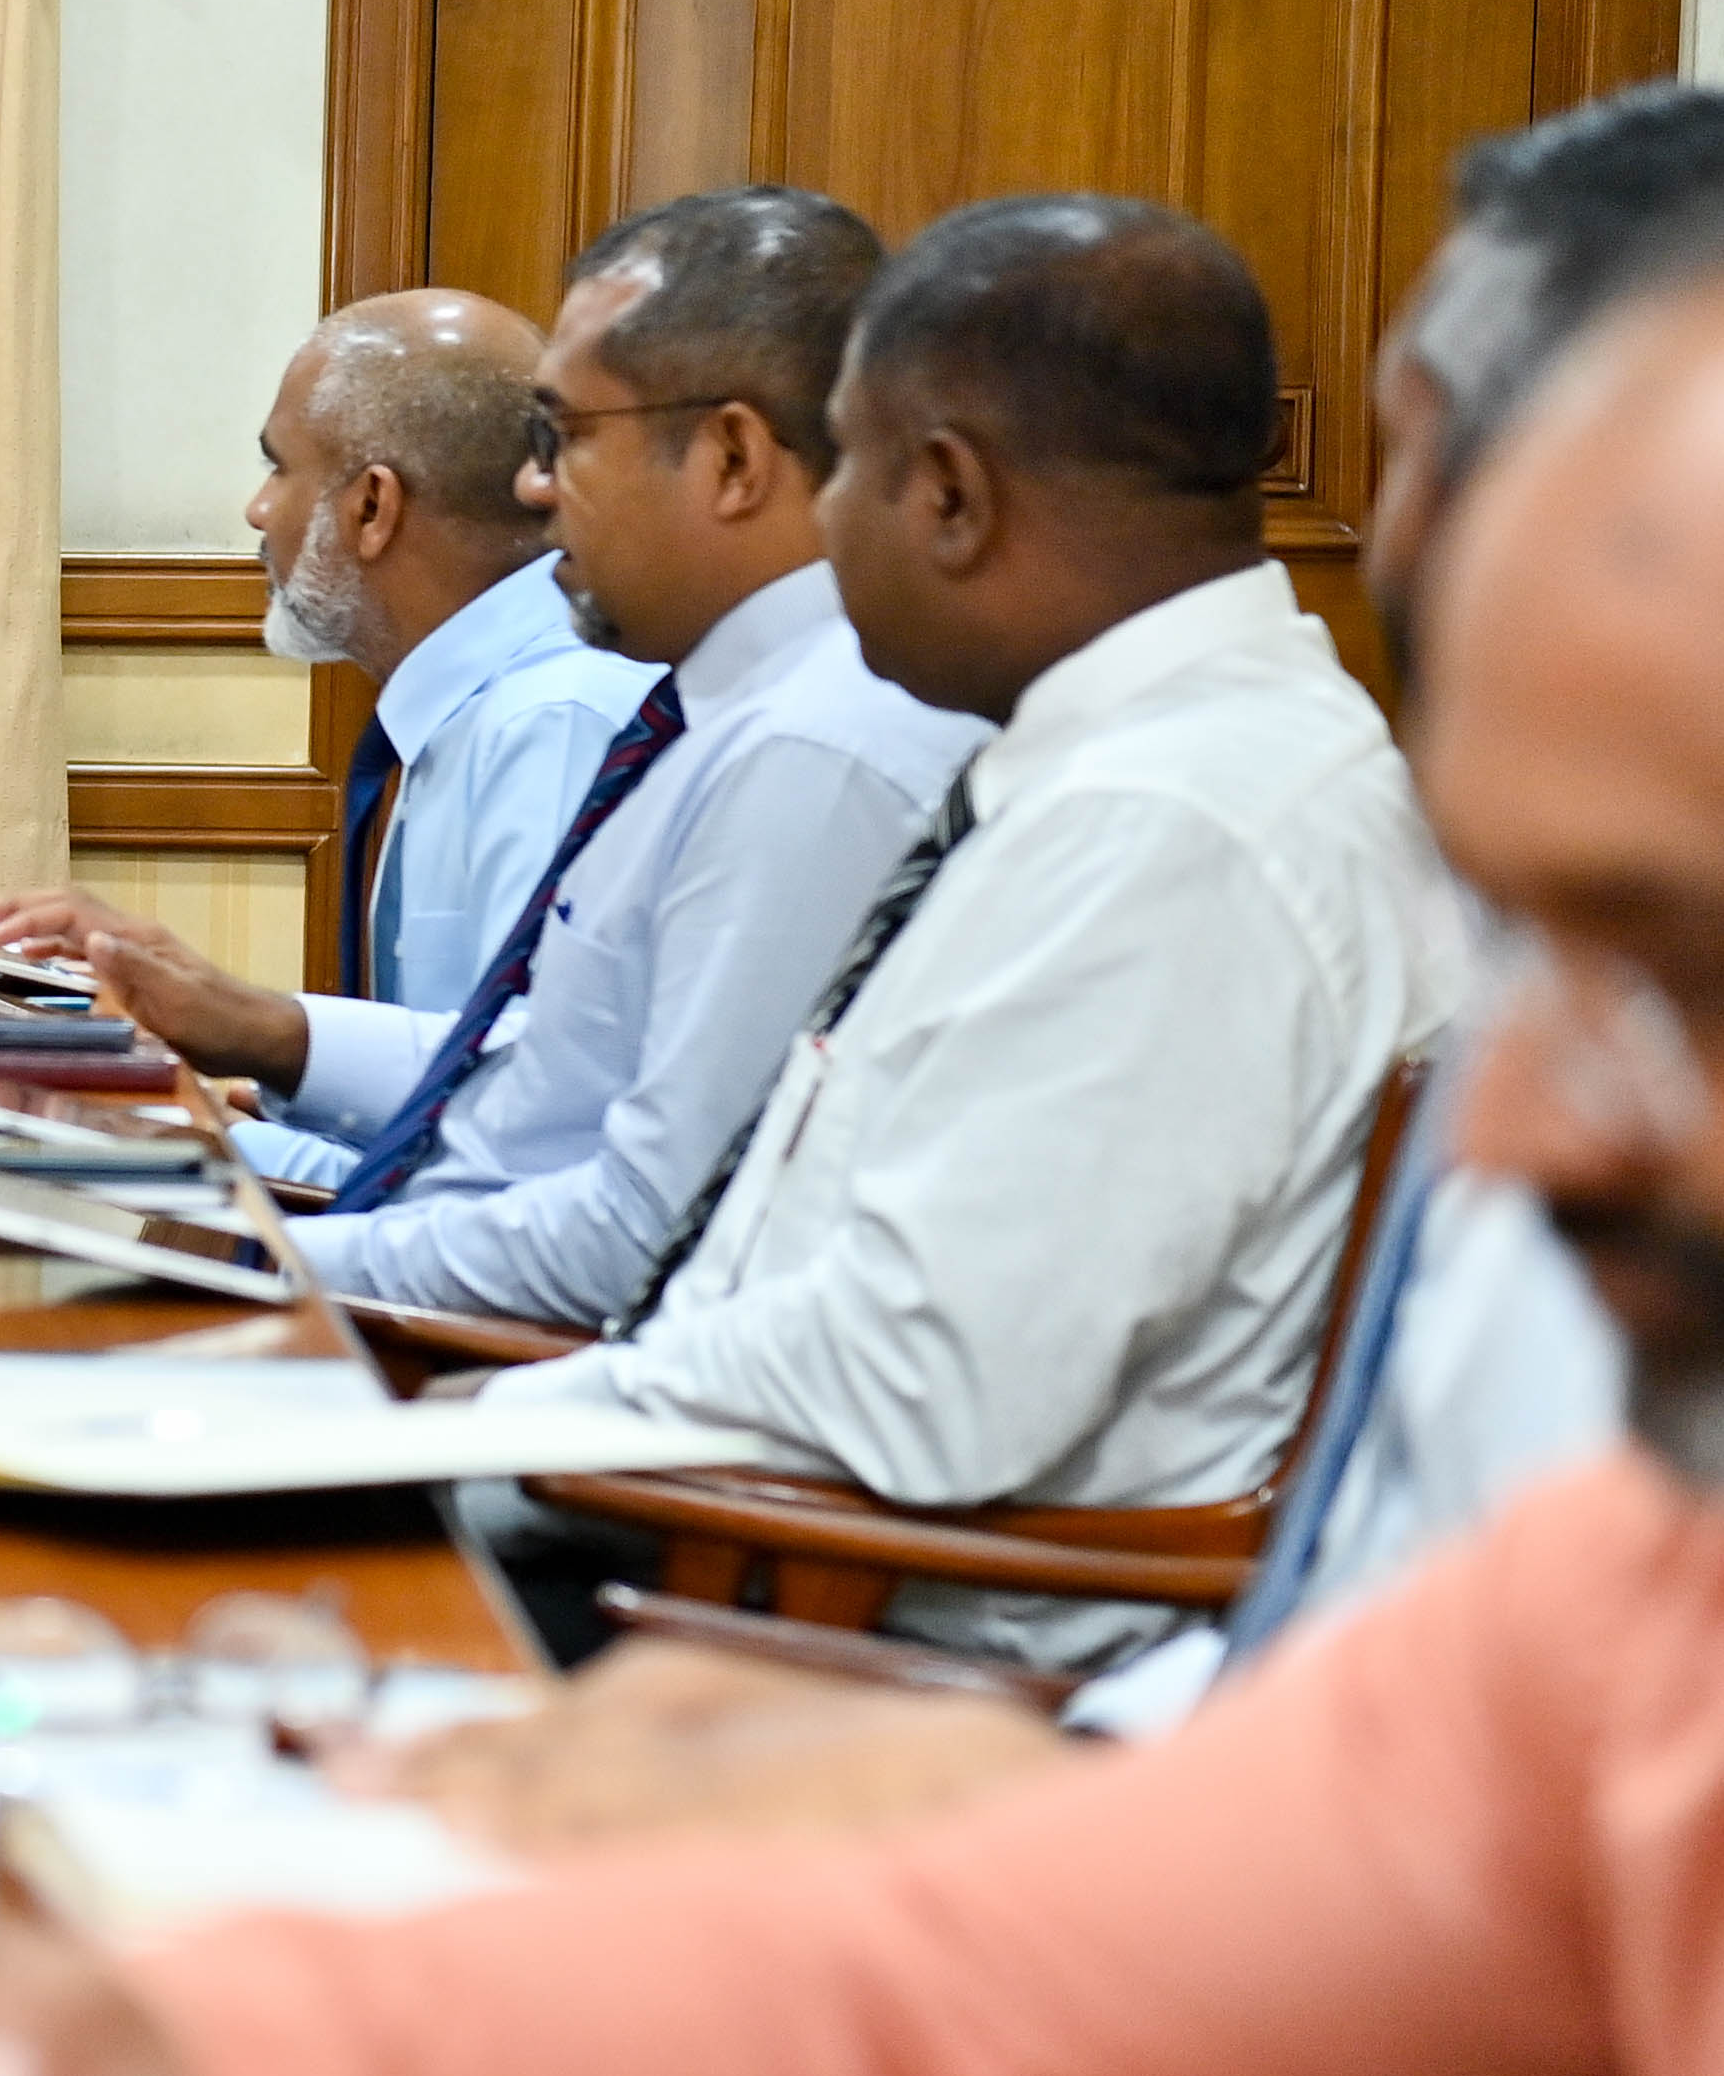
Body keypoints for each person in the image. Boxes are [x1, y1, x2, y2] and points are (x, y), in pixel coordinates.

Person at [0, 288, 1724, 2076]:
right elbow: (951, 2022)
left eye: (1680, 978)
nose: (1517, 1126)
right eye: (1541, 951)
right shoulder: (1652, 1588)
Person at [464, 198, 1459, 1660]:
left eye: (846, 466)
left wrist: (469, 1429)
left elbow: (911, 1386)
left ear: (946, 495)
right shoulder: (1130, 766)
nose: (823, 528)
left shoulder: (1173, 826)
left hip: (885, 1636)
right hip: (737, 1523)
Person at [0, 193, 984, 1327]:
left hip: (549, 1380)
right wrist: (253, 1049)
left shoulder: (803, 753)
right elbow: (540, 1087)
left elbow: (637, 1240)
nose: (532, 485)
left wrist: (253, 1262)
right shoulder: (717, 714)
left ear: (730, 458)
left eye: (569, 437)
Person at [0, 287, 655, 1188]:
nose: (259, 511)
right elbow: (453, 1112)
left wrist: (183, 1127)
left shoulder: (555, 725)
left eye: (278, 468)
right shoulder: (477, 711)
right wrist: (216, 1100)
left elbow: (534, 1150)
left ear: (372, 506)